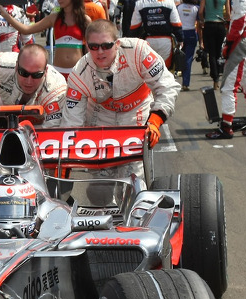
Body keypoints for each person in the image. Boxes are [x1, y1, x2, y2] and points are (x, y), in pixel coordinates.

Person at [61, 19, 180, 179]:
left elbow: (167, 85)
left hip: (135, 113)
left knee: (132, 182)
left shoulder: (138, 50)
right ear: (86, 45)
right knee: (99, 192)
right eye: (94, 47)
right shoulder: (79, 73)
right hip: (101, 116)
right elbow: (71, 122)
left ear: (117, 43)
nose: (100, 52)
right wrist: (66, 158)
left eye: (106, 45)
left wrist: (155, 121)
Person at [205, 0, 246, 139]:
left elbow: (239, 20)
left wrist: (229, 42)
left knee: (228, 87)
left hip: (242, 42)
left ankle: (226, 127)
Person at [0, 0, 91, 78]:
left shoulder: (85, 19)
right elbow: (26, 30)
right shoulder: (54, 18)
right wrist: (5, 15)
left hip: (78, 72)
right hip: (58, 73)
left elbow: (90, 49)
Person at [0, 45, 68, 126]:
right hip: (7, 116)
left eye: (36, 75)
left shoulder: (57, 89)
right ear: (16, 66)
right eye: (23, 73)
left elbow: (52, 130)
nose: (29, 82)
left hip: (40, 122)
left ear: (46, 71)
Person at [130, 0, 184, 68]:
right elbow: (177, 25)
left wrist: (133, 44)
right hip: (166, 41)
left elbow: (134, 27)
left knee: (150, 71)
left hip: (148, 42)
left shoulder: (140, 3)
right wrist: (180, 40)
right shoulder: (169, 3)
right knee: (165, 70)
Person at [200, 0, 229, 90]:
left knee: (211, 53)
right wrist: (224, 18)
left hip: (209, 25)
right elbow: (228, 13)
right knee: (218, 53)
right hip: (220, 25)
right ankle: (218, 75)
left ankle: (215, 77)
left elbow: (200, 11)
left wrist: (202, 20)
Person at [178, 0, 201, 90]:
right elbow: (199, 23)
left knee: (180, 57)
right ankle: (185, 83)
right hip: (191, 33)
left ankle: (177, 77)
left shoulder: (178, 7)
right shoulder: (196, 8)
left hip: (181, 32)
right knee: (188, 58)